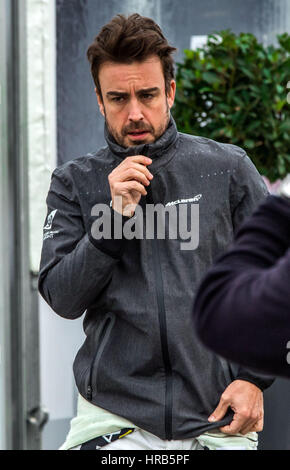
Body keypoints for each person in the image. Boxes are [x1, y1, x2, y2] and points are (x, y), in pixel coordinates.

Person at [38, 13, 273, 451]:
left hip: (216, 419)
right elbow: (62, 298)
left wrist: (254, 379)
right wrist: (113, 220)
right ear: (98, 99)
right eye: (118, 98)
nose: (134, 113)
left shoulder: (227, 169)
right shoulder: (73, 182)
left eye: (147, 95)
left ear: (170, 91)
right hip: (112, 418)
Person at [193, 175, 290, 378]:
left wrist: (251, 379)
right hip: (116, 397)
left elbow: (222, 317)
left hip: (209, 390)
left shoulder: (231, 166)